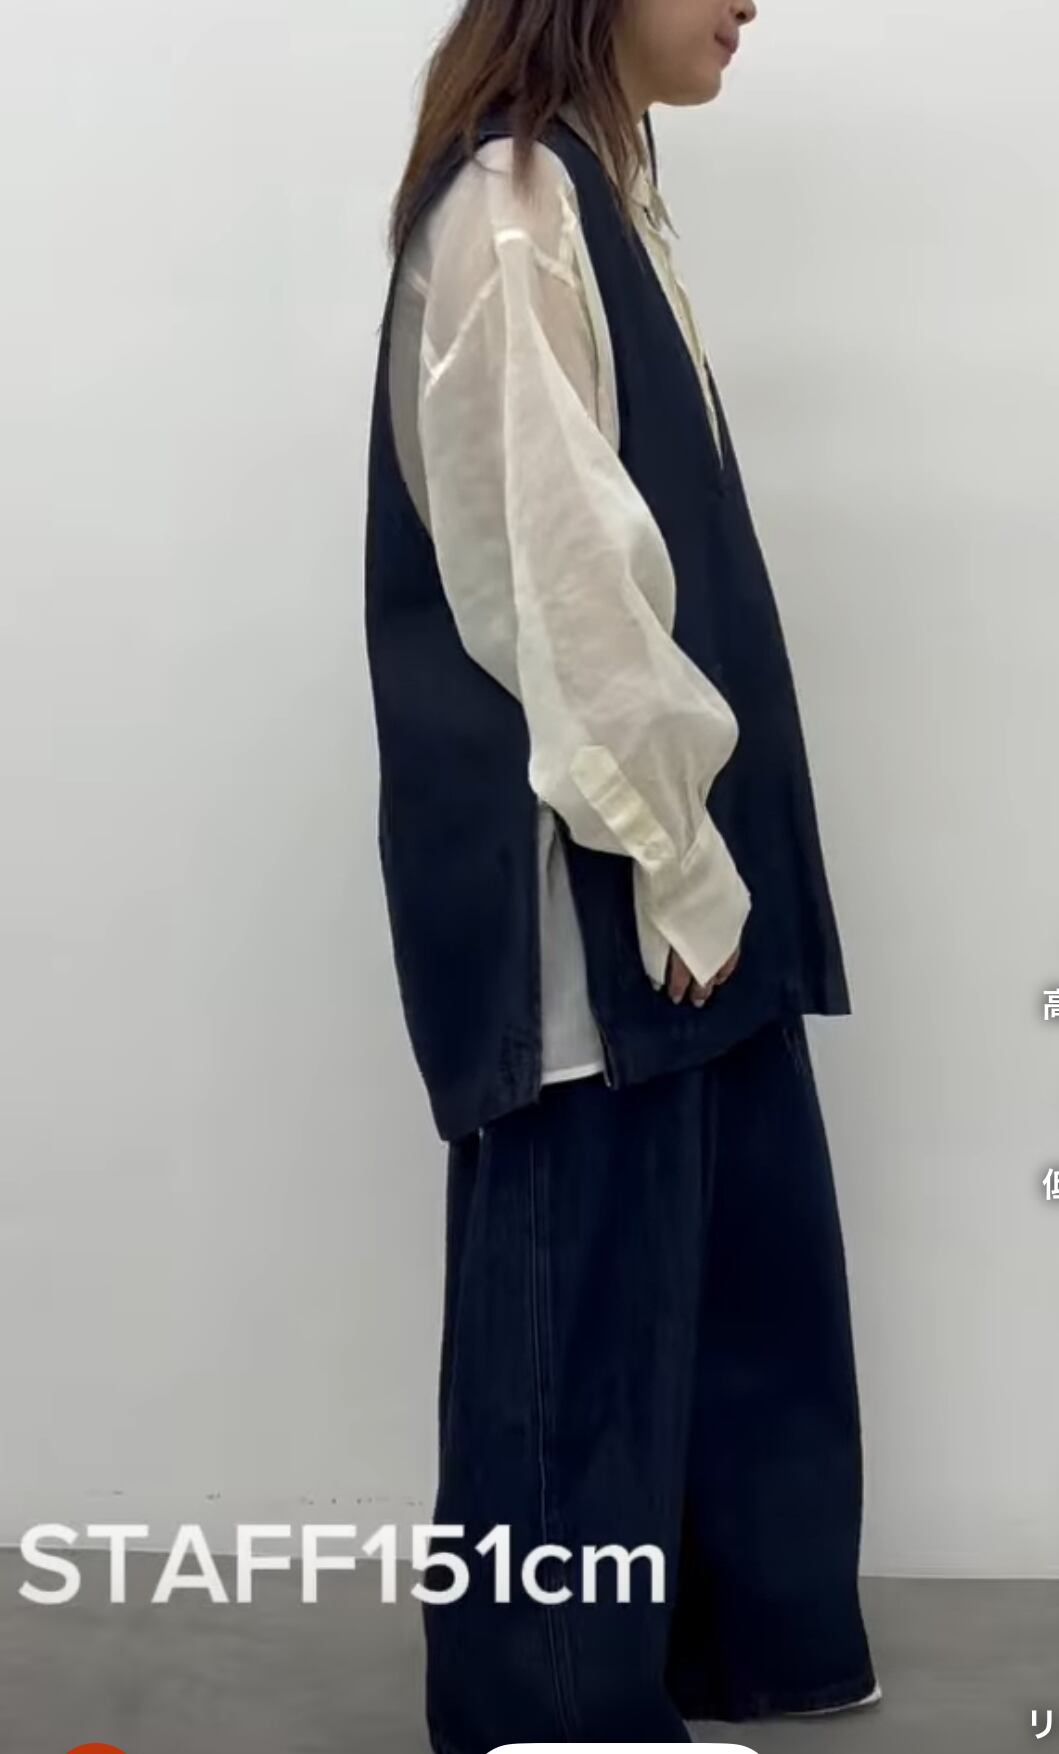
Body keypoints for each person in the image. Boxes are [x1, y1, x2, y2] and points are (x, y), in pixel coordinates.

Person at [363, 1, 881, 1747]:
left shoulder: (600, 193)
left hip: (666, 854)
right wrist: (671, 853)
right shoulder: (514, 209)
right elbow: (554, 581)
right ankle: (556, 1710)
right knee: (574, 1302)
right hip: (584, 874)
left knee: (709, 1276)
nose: (752, 1)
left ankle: (704, 1658)